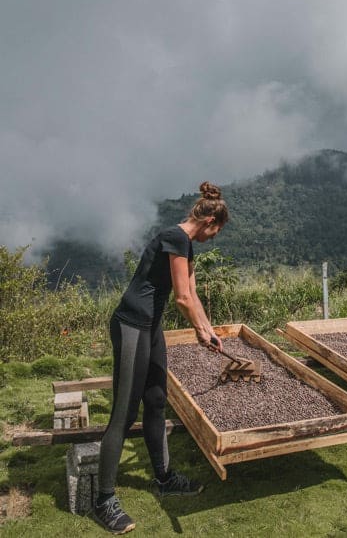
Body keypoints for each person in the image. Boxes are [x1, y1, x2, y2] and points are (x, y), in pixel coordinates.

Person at [93, 182, 229, 534]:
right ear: (210, 219)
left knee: (156, 401)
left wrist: (208, 329)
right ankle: (103, 498)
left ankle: (164, 478)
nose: (214, 237)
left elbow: (193, 295)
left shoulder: (185, 245)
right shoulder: (176, 237)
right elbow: (182, 299)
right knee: (124, 412)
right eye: (217, 230)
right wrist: (198, 330)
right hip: (131, 326)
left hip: (150, 329)